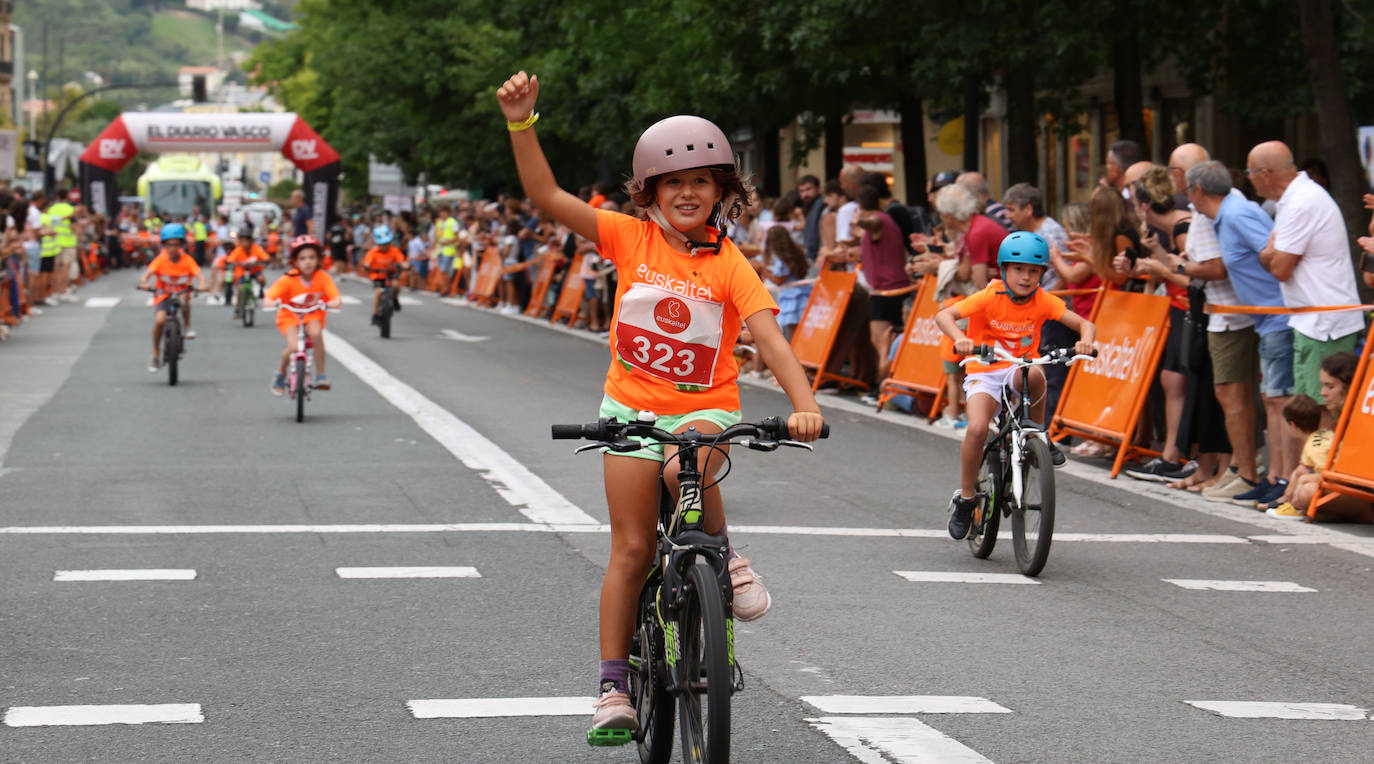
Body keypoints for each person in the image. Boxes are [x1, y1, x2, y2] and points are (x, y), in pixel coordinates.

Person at [495, 70, 825, 735]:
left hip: (703, 409)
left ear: (722, 192)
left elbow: (770, 338)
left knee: (687, 463)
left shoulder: (730, 263)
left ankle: (725, 556)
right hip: (629, 413)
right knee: (632, 549)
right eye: (672, 183)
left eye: (702, 181)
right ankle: (613, 688)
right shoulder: (628, 238)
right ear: (649, 193)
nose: (687, 192)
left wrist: (805, 404)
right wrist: (521, 123)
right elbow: (545, 195)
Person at [936, 232, 1097, 540]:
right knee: (977, 429)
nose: (1026, 277)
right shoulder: (989, 295)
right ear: (1004, 270)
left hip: (1017, 366)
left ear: (1042, 274)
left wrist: (1086, 341)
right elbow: (945, 315)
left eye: (1034, 271)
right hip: (984, 368)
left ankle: (1037, 433)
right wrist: (960, 338)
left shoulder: (1043, 300)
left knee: (1035, 373)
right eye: (1019, 269)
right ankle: (966, 499)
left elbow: (1084, 324)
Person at [1249, 141, 1365, 402]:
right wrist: (1270, 255)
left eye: (1250, 172)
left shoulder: (1302, 202)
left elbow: (1280, 269)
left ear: (1264, 174)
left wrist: (1269, 254)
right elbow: (1277, 262)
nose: (1249, 179)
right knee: (1307, 411)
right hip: (1313, 323)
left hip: (1325, 326)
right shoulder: (1295, 199)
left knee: (1322, 410)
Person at [1277, 352, 1372, 522]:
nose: (1322, 393)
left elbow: (1358, 474)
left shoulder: (1363, 419)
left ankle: (1364, 515)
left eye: (1330, 386)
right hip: (1349, 484)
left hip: (1364, 490)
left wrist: (1317, 476)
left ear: (1350, 386)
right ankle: (1306, 507)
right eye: (1323, 386)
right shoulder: (1341, 417)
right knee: (1302, 477)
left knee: (1307, 491)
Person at [263, 235, 342, 394]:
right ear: (295, 262)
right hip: (289, 316)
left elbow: (335, 296)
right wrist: (270, 302)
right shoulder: (288, 279)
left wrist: (334, 302)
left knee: (316, 335)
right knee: (293, 347)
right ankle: (280, 373)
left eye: (312, 257)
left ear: (319, 260)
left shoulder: (323, 278)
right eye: (302, 258)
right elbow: (270, 295)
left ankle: (321, 375)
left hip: (312, 314)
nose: (308, 262)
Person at [137, 223, 208, 372]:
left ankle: (187, 326)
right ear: (164, 245)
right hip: (163, 294)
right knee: (160, 320)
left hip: (181, 293)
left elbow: (199, 275)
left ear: (182, 245)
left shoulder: (187, 260)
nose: (172, 248)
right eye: (169, 245)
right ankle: (155, 354)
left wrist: (202, 284)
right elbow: (147, 273)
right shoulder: (160, 260)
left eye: (176, 245)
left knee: (184, 300)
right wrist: (144, 282)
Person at [361, 226, 408, 325]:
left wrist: (405, 266)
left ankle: (395, 299)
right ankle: (375, 314)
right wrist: (366, 266)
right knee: (378, 292)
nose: (385, 246)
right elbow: (367, 263)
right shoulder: (373, 252)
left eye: (387, 243)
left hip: (391, 274)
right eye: (382, 244)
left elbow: (402, 261)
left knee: (396, 285)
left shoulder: (394, 250)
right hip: (378, 276)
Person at [225, 225, 270, 318]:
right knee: (240, 289)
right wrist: (230, 262)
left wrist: (263, 261)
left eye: (246, 241)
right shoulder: (238, 250)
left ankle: (261, 290)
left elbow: (265, 257)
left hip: (255, 271)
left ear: (251, 241)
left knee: (261, 279)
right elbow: (230, 259)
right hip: (243, 272)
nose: (244, 243)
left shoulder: (256, 248)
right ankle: (237, 309)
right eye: (242, 241)